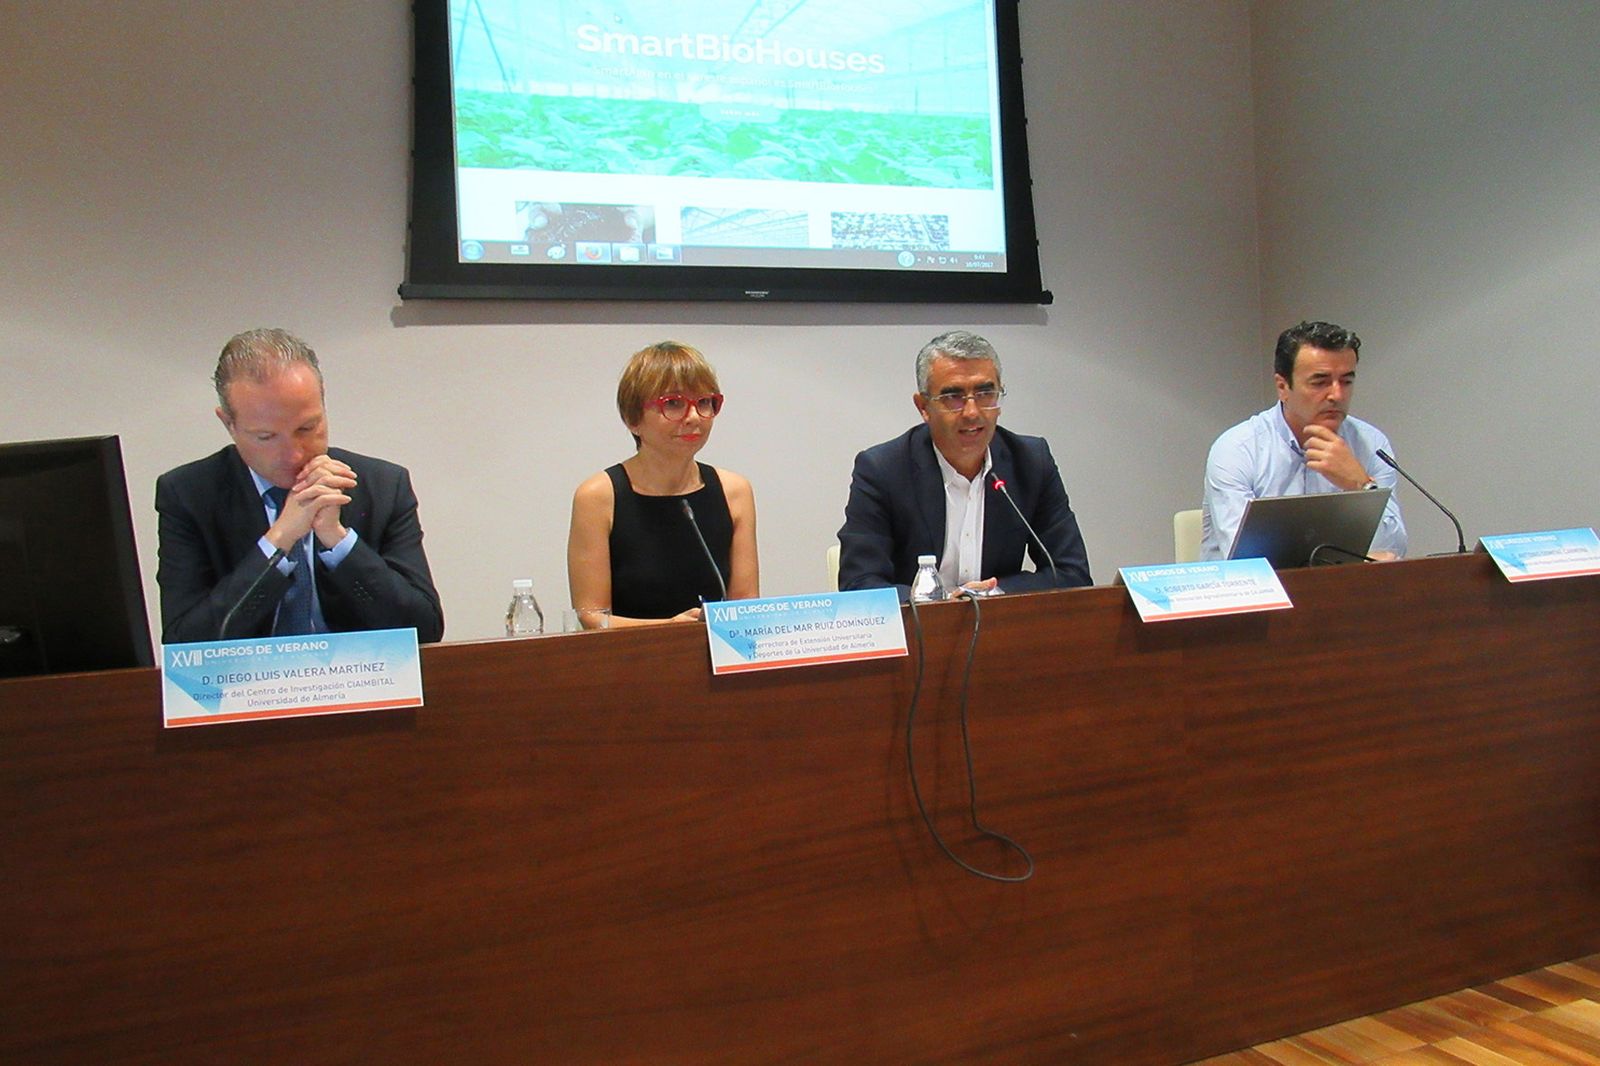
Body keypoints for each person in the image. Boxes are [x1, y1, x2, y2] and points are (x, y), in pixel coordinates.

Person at [155, 328, 444, 643]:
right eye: (266, 437)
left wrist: (338, 542)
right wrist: (279, 539)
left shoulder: (383, 486)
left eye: (307, 428)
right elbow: (185, 644)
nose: (293, 453)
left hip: (361, 683)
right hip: (248, 688)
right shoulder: (188, 495)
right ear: (229, 424)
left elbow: (425, 630)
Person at [837, 330, 1091, 598]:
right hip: (920, 633)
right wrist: (943, 601)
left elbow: (1071, 573)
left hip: (1001, 629)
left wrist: (995, 593)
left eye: (985, 393)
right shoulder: (882, 469)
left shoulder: (1030, 462)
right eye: (953, 397)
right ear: (923, 406)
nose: (972, 412)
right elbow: (859, 584)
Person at [567, 341, 758, 625]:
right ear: (633, 420)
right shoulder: (598, 496)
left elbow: (745, 608)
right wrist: (667, 630)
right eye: (674, 404)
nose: (694, 417)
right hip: (630, 661)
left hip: (714, 658)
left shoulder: (734, 491)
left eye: (705, 402)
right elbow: (593, 617)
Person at [1200, 319, 1406, 560]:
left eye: (1347, 381)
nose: (1337, 395)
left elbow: (1394, 550)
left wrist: (1360, 486)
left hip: (1338, 591)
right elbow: (1245, 559)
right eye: (1320, 382)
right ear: (1282, 386)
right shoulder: (1238, 449)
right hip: (1251, 594)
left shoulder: (1371, 444)